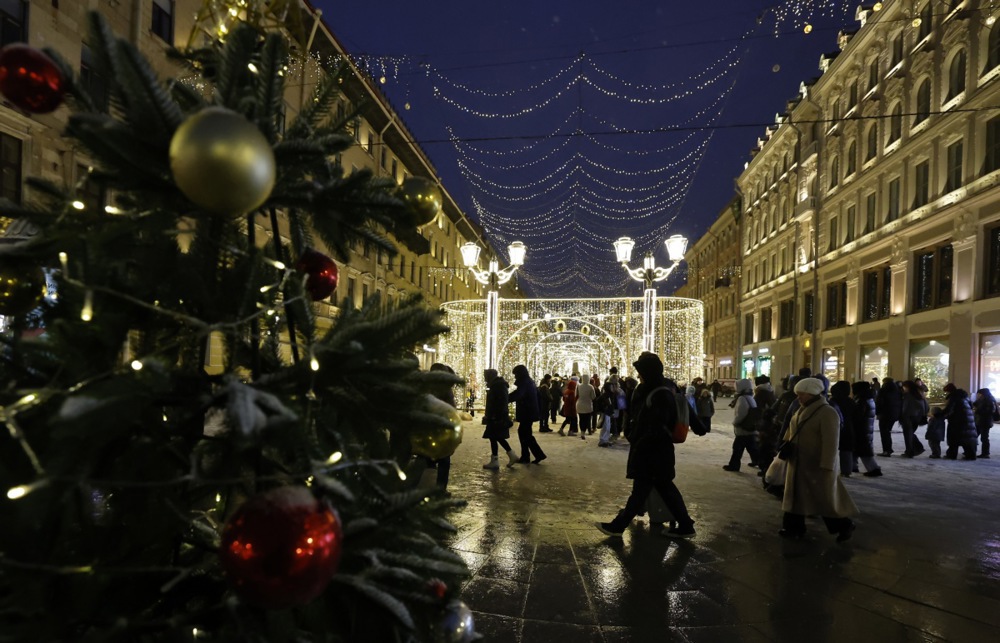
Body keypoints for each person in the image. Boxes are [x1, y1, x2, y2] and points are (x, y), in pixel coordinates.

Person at [596, 352, 697, 539]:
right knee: (663, 489)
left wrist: (638, 441)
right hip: (655, 451)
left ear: (647, 372)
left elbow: (655, 425)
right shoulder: (656, 388)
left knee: (642, 491)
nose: (638, 375)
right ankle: (685, 524)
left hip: (652, 451)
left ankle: (619, 526)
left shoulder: (659, 393)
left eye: (640, 371)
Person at [779, 377, 858, 542]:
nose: (798, 398)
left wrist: (827, 464)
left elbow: (831, 441)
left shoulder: (827, 412)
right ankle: (794, 528)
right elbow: (792, 430)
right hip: (798, 460)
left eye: (802, 394)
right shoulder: (801, 409)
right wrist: (785, 446)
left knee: (823, 498)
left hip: (815, 463)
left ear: (812, 393)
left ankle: (844, 525)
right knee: (797, 496)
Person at [427, 363, 459, 489]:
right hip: (441, 426)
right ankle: (439, 488)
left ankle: (431, 486)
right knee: (443, 459)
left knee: (428, 458)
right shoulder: (444, 389)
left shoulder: (431, 387)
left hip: (434, 426)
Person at [509, 365, 547, 464]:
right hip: (529, 412)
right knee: (524, 433)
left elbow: (519, 394)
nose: (515, 377)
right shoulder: (528, 381)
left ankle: (535, 455)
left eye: (516, 374)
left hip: (527, 412)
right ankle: (527, 456)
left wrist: (506, 399)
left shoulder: (525, 382)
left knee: (525, 434)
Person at [481, 369, 517, 469]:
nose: (485, 378)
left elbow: (499, 402)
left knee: (496, 437)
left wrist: (493, 415)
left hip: (497, 417)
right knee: (495, 437)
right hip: (496, 416)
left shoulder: (497, 386)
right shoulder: (497, 385)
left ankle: (502, 458)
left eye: (486, 376)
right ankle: (500, 458)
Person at [723, 378, 760, 472]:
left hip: (743, 428)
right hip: (749, 427)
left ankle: (734, 465)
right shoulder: (750, 396)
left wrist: (735, 423)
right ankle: (760, 463)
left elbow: (741, 414)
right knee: (752, 448)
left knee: (737, 448)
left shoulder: (742, 398)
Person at [850, 381, 882, 477]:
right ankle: (853, 466)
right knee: (857, 448)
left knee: (864, 450)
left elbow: (858, 415)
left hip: (861, 429)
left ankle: (873, 469)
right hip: (866, 428)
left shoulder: (862, 400)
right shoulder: (869, 398)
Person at [942, 383, 978, 460]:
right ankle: (971, 455)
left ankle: (951, 455)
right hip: (968, 420)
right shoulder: (965, 396)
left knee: (954, 439)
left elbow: (949, 409)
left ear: (949, 391)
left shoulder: (953, 398)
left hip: (957, 421)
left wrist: (938, 415)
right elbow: (971, 406)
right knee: (967, 439)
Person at [898, 381, 928, 458]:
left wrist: (902, 416)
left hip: (908, 417)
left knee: (908, 434)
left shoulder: (908, 395)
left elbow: (906, 407)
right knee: (910, 433)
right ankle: (914, 449)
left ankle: (911, 451)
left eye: (904, 387)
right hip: (917, 417)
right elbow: (926, 407)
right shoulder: (920, 395)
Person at [874, 377, 902, 456]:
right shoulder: (897, 391)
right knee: (887, 431)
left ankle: (887, 450)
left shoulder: (883, 390)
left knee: (884, 433)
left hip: (884, 414)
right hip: (894, 414)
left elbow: (879, 402)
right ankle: (888, 449)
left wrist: (877, 412)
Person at [972, 388, 997, 459]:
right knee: (974, 436)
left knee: (984, 438)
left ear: (983, 394)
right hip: (980, 421)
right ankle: (972, 450)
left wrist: (978, 411)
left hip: (985, 421)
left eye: (979, 394)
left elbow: (990, 411)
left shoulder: (989, 400)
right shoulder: (982, 399)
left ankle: (985, 453)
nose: (978, 395)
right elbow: (975, 404)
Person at [576, 375, 598, 439]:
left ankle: (582, 432)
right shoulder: (590, 387)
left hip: (579, 404)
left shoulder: (579, 386)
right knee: (587, 419)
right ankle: (585, 430)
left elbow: (576, 395)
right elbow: (593, 397)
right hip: (588, 405)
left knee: (581, 419)